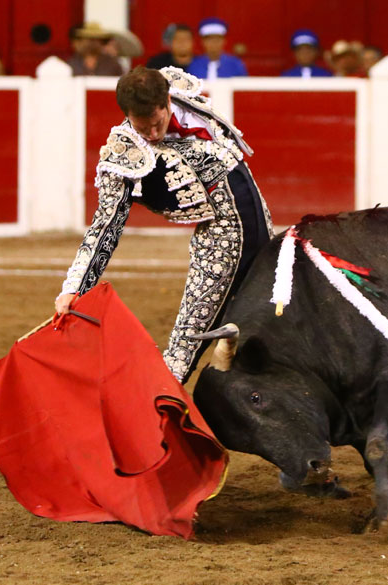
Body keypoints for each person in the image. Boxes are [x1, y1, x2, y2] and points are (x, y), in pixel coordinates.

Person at [56, 66, 273, 383]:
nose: (151, 134)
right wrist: (74, 288)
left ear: (167, 100)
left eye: (156, 123)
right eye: (141, 126)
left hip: (257, 215)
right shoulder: (124, 152)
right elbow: (104, 228)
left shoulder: (182, 95)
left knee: (270, 316)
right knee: (183, 347)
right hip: (218, 238)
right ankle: (149, 418)